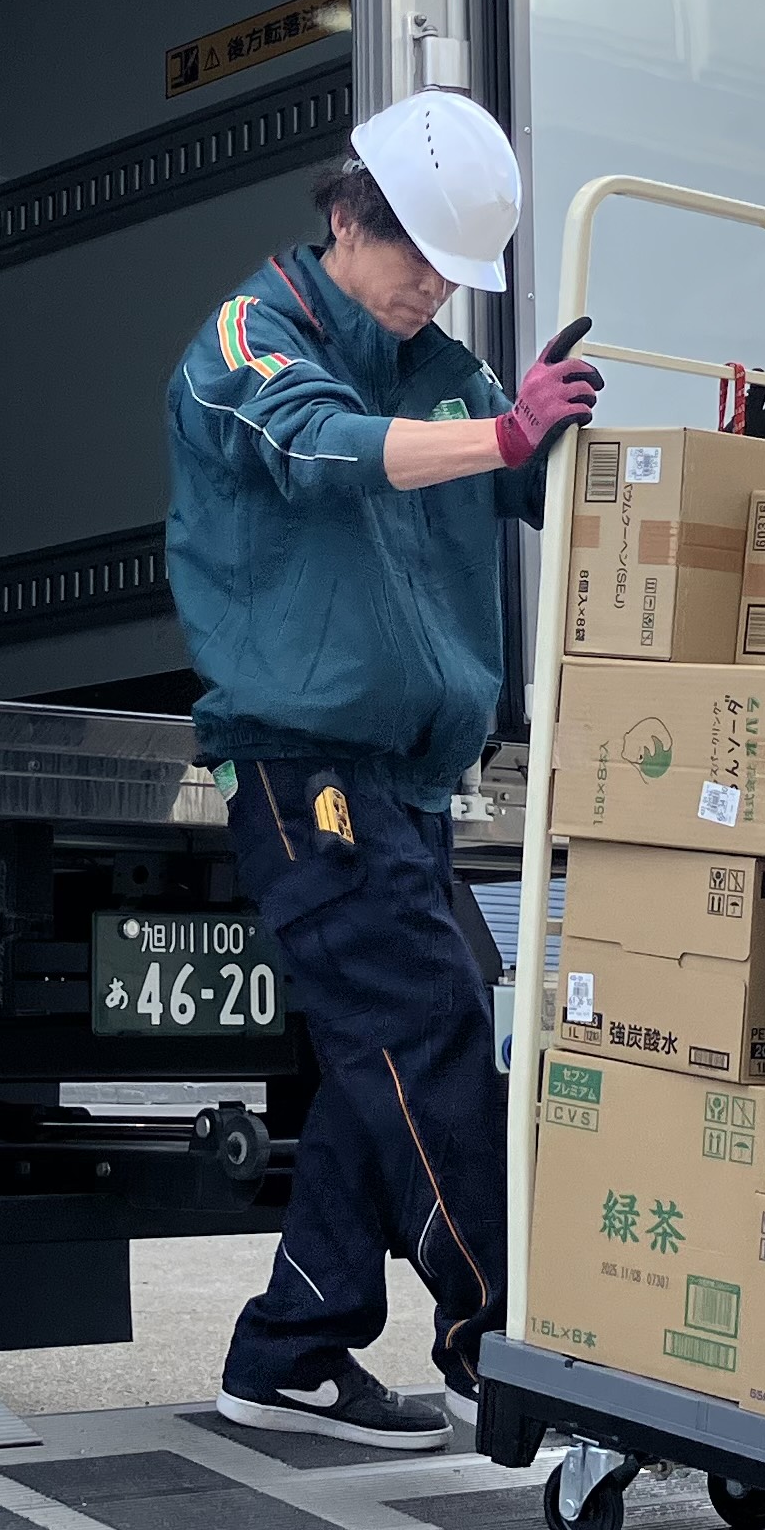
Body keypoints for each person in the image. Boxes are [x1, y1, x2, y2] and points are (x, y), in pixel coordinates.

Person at [163, 91, 600, 1448]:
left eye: (455, 272)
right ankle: (503, 1349)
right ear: (348, 219)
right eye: (416, 258)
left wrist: (561, 442)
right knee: (431, 1035)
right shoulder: (252, 340)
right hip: (302, 768)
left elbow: (529, 484)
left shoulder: (445, 369)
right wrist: (502, 436)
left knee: (383, 1063)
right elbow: (318, 450)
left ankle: (291, 1348)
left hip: (406, 777)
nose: (431, 290)